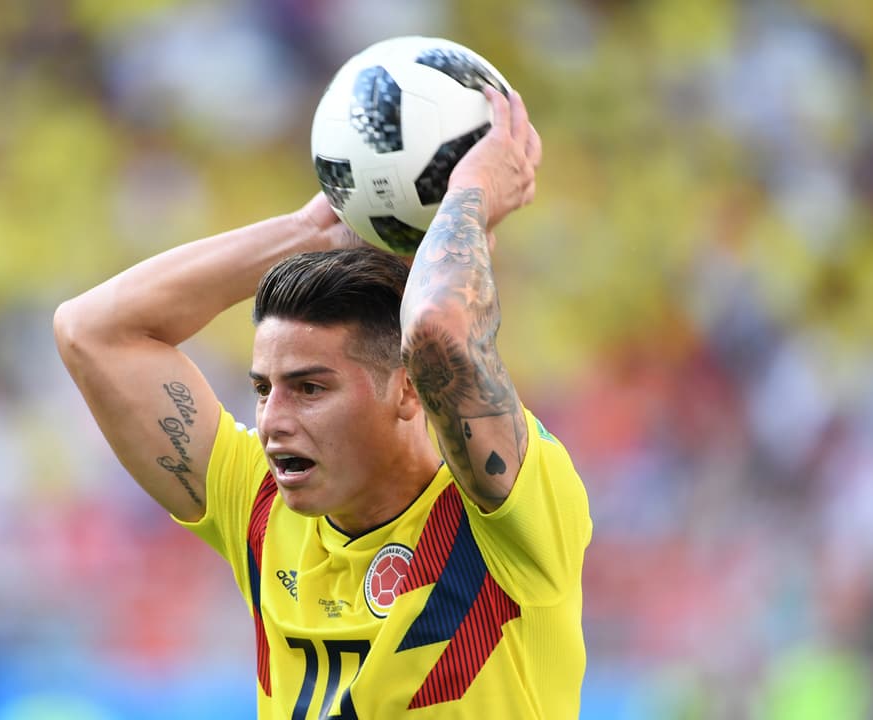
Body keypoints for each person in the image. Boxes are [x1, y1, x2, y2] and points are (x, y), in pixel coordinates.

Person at [54, 87, 591, 718]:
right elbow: (90, 329)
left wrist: (470, 194)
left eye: (310, 388)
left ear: (411, 388)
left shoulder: (507, 512)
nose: (274, 422)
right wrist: (309, 232)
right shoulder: (259, 501)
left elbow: (440, 330)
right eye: (262, 389)